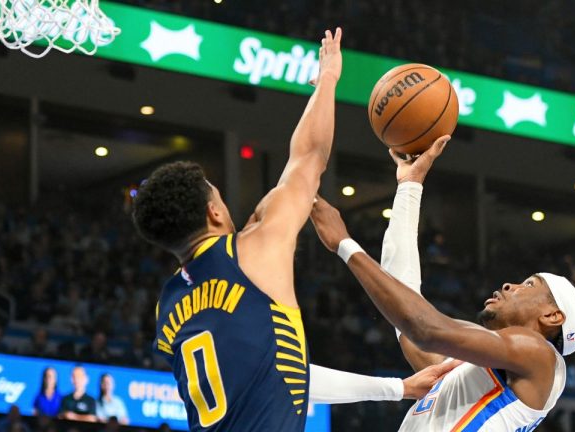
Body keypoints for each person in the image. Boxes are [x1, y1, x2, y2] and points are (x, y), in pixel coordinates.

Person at [131, 28, 456, 431]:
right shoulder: (255, 248)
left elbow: (285, 372)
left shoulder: (168, 311)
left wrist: (397, 389)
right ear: (214, 212)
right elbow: (308, 157)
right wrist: (327, 81)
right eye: (219, 194)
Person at [310, 135, 575, 431]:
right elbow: (405, 302)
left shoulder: (541, 355)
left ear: (552, 316)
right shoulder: (466, 370)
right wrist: (410, 185)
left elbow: (424, 327)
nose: (510, 286)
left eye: (529, 285)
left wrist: (344, 244)